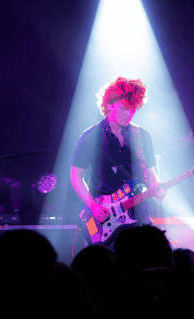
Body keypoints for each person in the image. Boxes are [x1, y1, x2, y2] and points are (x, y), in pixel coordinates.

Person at [70, 77, 166, 246]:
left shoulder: (142, 136)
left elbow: (151, 173)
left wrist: (156, 185)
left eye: (133, 108)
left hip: (139, 215)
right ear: (109, 104)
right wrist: (93, 206)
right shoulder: (91, 136)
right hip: (104, 218)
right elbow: (75, 176)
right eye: (124, 108)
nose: (129, 113)